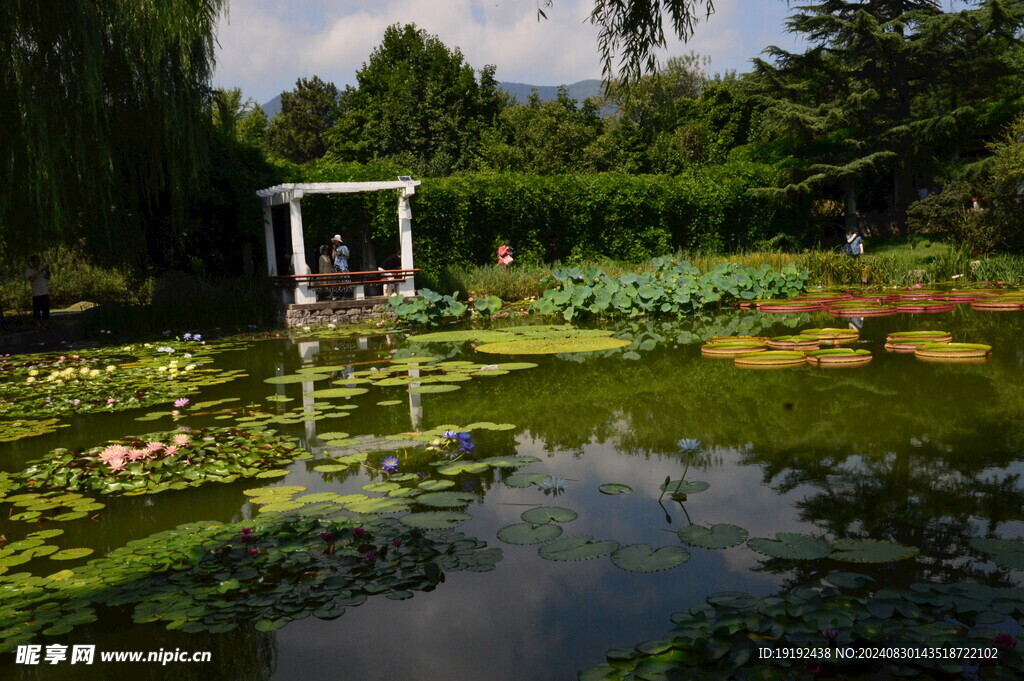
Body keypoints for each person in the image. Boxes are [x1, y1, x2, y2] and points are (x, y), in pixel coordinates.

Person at [25, 255, 50, 327]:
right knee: (37, 309)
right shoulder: (29, 270)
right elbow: (32, 279)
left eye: (39, 260)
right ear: (33, 261)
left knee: (45, 308)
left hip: (44, 291)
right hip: (36, 293)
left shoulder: (41, 268)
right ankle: (37, 323)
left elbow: (47, 277)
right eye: (37, 261)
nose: (38, 262)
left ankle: (46, 323)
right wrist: (40, 271)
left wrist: (47, 271)